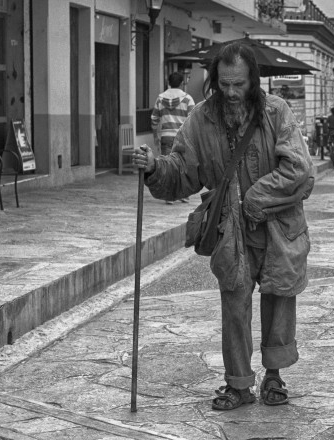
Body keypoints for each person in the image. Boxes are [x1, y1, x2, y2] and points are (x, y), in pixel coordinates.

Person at [132, 42, 315, 410]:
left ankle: (275, 377)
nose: (231, 93)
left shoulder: (277, 112)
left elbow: (300, 170)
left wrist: (255, 200)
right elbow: (183, 172)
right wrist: (154, 167)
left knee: (279, 298)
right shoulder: (200, 118)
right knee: (234, 303)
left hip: (279, 226)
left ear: (253, 82)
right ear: (214, 80)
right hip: (231, 228)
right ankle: (238, 384)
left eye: (239, 85)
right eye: (225, 84)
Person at [151, 71, 196, 205]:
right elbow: (193, 119)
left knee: (166, 166)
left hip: (166, 136)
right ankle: (183, 195)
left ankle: (168, 196)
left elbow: (154, 119)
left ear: (168, 83)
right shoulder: (188, 99)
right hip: (183, 138)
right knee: (184, 166)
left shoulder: (160, 98)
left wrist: (155, 135)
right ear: (182, 84)